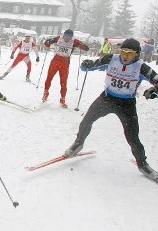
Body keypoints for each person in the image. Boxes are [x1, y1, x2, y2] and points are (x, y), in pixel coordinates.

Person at [64, 38, 158, 179]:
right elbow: (90, 66)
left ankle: (142, 164)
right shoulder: (111, 59)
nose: (125, 56)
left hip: (127, 104)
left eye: (129, 53)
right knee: (86, 121)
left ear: (136, 54)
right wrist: (87, 64)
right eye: (123, 52)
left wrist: (152, 90)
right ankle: (78, 144)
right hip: (107, 99)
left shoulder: (142, 67)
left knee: (132, 136)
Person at [42, 29, 89, 108]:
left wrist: (82, 46)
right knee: (49, 78)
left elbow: (86, 48)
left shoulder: (74, 41)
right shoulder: (58, 38)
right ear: (63, 35)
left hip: (65, 63)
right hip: (55, 61)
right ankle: (45, 93)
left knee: (63, 82)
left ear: (71, 37)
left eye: (69, 37)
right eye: (66, 36)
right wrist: (48, 42)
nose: (67, 38)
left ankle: (62, 99)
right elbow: (46, 43)